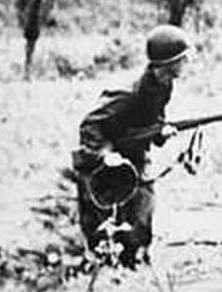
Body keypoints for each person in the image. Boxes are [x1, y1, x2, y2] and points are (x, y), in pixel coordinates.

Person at [73, 25, 189, 268]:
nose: (186, 62)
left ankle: (135, 267)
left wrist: (161, 132)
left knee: (142, 211)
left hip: (133, 155)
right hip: (101, 160)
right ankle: (99, 274)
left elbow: (151, 121)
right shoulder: (128, 93)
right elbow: (89, 126)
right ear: (167, 63)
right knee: (102, 224)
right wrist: (106, 155)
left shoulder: (163, 85)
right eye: (181, 58)